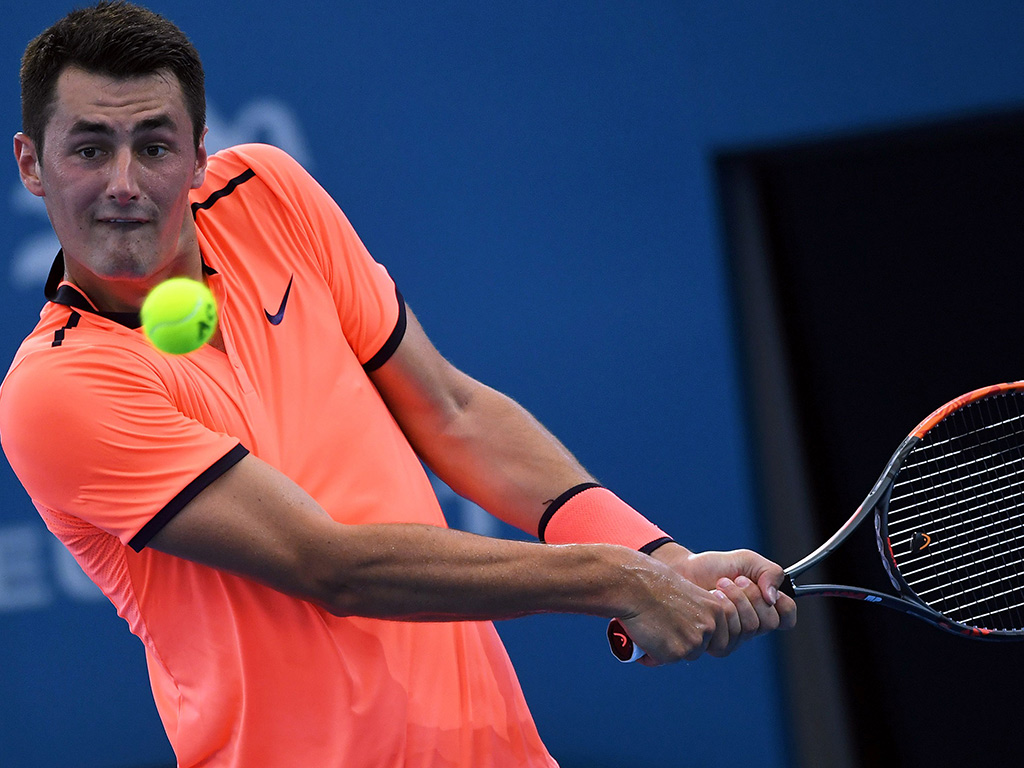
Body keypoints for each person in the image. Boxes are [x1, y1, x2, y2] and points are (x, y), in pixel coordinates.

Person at [0, 3, 796, 767]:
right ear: (31, 162)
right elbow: (332, 566)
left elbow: (452, 411)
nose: (126, 183)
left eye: (156, 145)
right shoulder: (58, 392)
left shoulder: (267, 193)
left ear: (201, 153)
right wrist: (620, 581)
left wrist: (658, 557)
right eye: (91, 148)